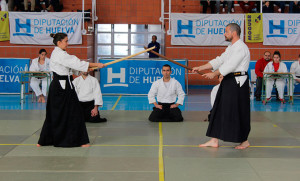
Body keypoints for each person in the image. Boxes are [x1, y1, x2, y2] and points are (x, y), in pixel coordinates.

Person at [37, 33, 106, 148]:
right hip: (61, 87)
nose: (68, 43)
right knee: (73, 113)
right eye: (66, 41)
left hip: (63, 86)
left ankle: (44, 140)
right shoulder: (59, 54)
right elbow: (76, 63)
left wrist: (88, 68)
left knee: (57, 113)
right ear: (59, 43)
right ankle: (80, 141)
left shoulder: (60, 53)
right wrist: (96, 64)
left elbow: (71, 67)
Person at [192, 23, 251, 149]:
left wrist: (214, 74)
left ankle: (244, 141)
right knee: (218, 108)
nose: (224, 34)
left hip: (238, 82)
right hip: (229, 80)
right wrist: (200, 67)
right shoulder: (231, 47)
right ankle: (214, 139)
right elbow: (219, 60)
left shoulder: (241, 47)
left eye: (226, 32)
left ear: (234, 33)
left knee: (239, 111)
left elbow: (231, 65)